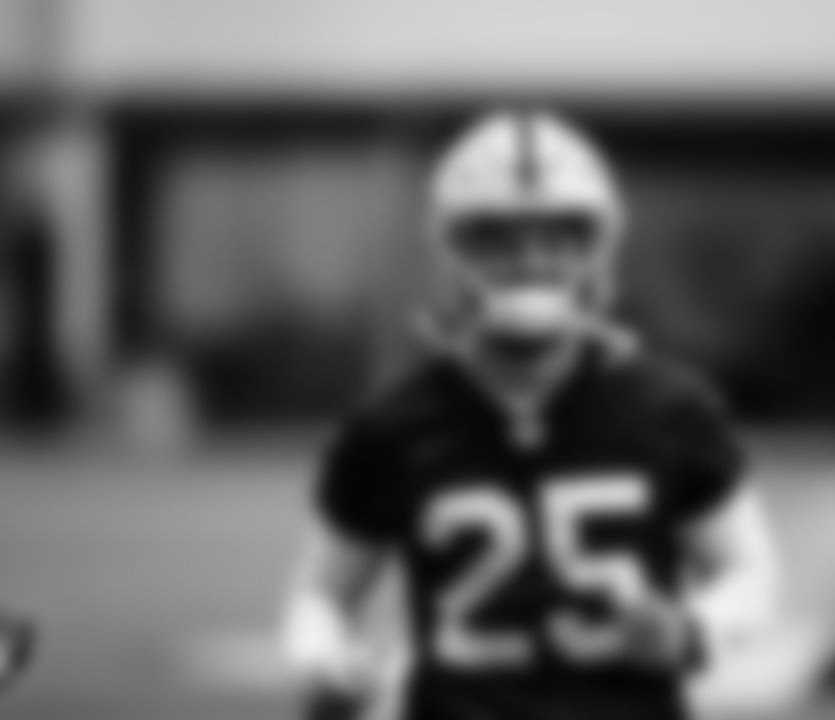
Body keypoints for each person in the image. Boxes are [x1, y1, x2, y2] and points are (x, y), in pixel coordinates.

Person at [281, 110, 784, 720]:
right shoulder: (390, 426)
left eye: (558, 238)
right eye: (499, 239)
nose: (531, 260)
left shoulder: (671, 409)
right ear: (451, 251)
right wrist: (326, 664)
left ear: (599, 249)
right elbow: (320, 597)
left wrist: (692, 629)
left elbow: (750, 573)